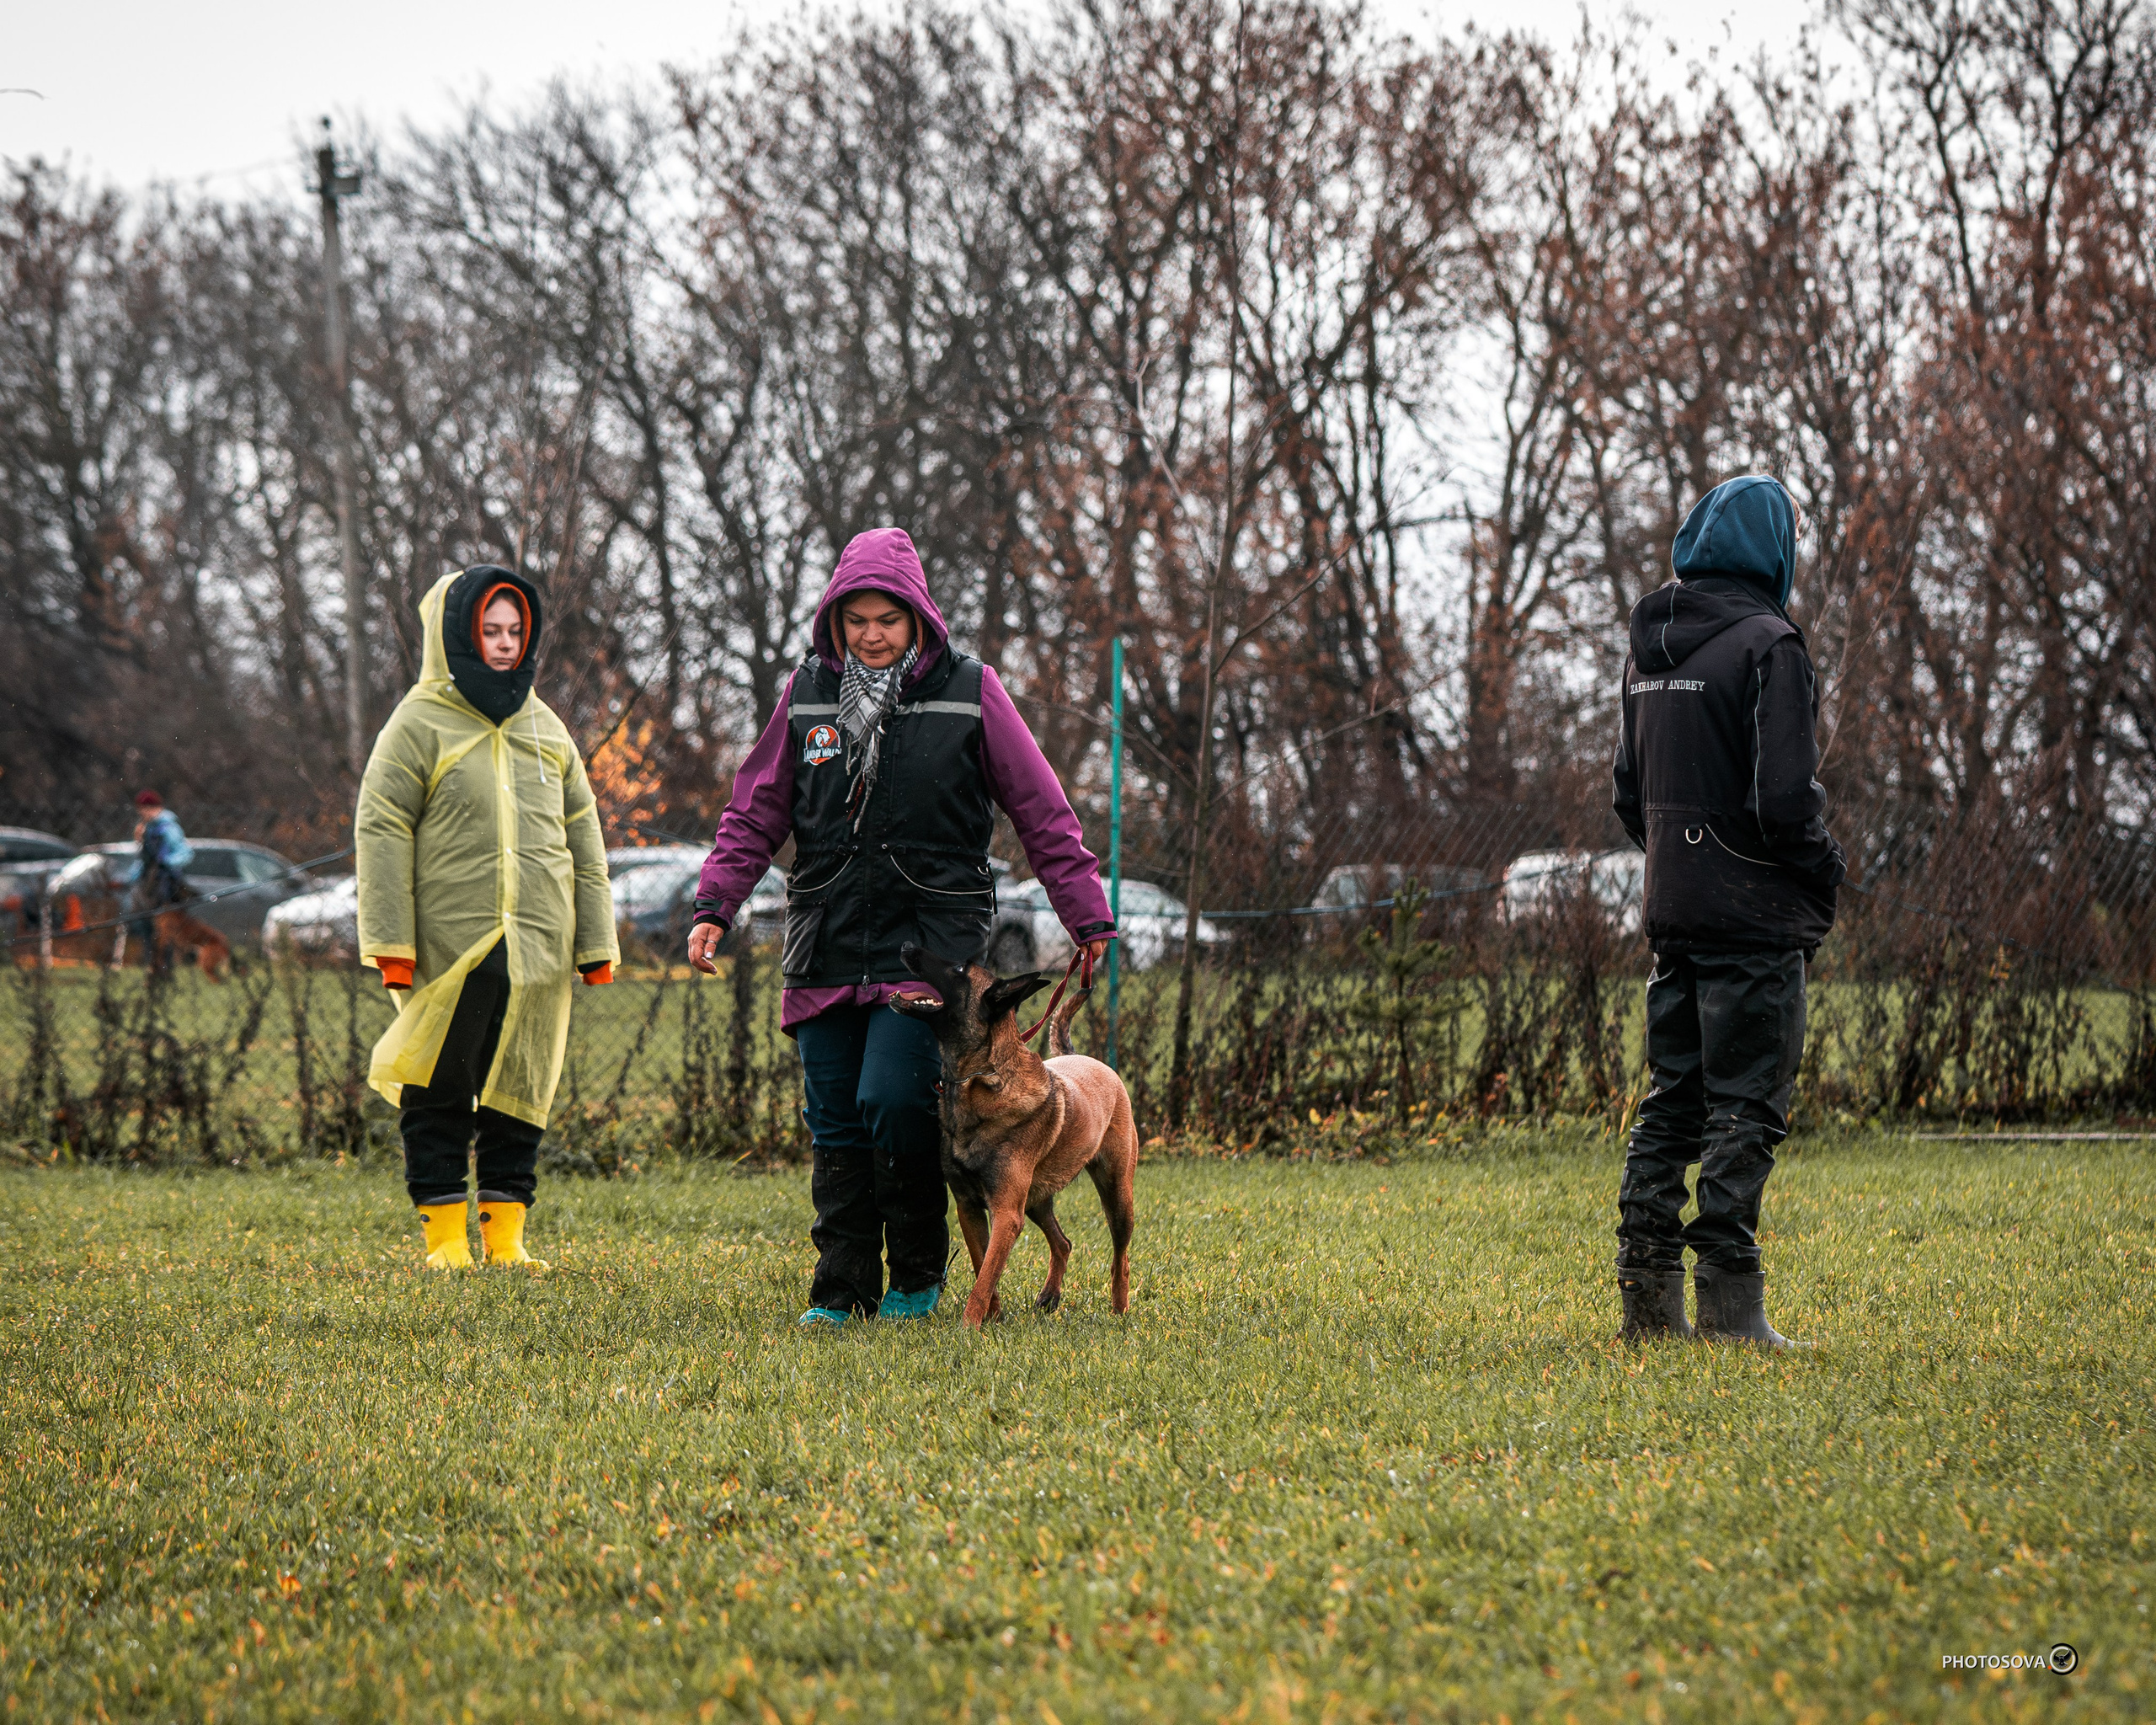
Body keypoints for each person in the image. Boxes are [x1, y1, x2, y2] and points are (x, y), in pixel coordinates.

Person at [687, 527, 1116, 1327]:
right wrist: (716, 903)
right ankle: (841, 1289)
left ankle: (916, 1277)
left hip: (933, 947)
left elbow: (1043, 812)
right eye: (857, 619)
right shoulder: (808, 694)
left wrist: (1086, 916)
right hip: (827, 936)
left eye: (888, 618)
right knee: (837, 1118)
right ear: (836, 620)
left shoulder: (970, 689)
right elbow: (754, 811)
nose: (873, 634)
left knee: (894, 1099)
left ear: (918, 615)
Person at [1610, 475, 1844, 1349]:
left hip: (1672, 908)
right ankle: (1729, 1308)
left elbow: (1627, 795)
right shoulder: (1768, 644)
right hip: (1753, 916)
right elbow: (1786, 797)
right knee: (1746, 1105)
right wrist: (1822, 872)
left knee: (1670, 1100)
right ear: (1774, 551)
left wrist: (1681, 859)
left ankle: (1645, 1300)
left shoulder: (1646, 645)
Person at [356, 566, 618, 1271]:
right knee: (437, 1085)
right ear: (454, 635)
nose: (504, 646)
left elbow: (584, 840)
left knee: (520, 1088)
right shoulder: (416, 724)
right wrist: (391, 940)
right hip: (450, 947)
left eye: (515, 632)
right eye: (489, 631)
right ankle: (445, 1241)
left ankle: (506, 1240)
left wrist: (595, 940)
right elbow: (381, 829)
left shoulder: (546, 729)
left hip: (539, 947)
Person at [125, 790, 195, 975]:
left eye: (145, 809)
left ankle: (165, 969)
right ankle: (153, 966)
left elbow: (185, 854)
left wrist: (166, 863)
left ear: (155, 808)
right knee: (146, 926)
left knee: (163, 928)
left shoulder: (168, 827)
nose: (142, 813)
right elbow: (144, 859)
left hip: (165, 885)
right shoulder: (148, 828)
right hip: (149, 885)